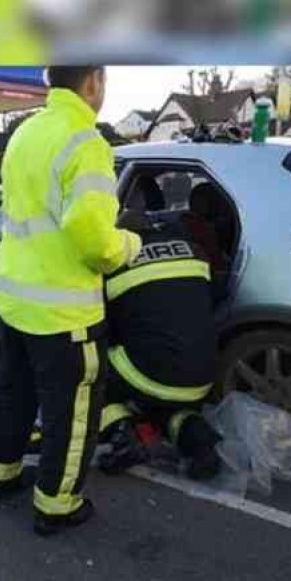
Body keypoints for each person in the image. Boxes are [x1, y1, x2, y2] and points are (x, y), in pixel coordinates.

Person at [0, 66, 143, 537]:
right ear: (93, 80)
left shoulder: (25, 132)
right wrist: (130, 243)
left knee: (11, 397)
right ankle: (57, 506)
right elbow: (96, 244)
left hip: (13, 302)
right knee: (71, 417)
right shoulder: (85, 142)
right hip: (63, 314)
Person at [95, 203, 223, 481]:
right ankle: (202, 446)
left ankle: (122, 436)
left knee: (89, 378)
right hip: (203, 376)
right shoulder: (195, 252)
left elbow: (103, 326)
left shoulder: (116, 264)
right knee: (172, 411)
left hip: (152, 374)